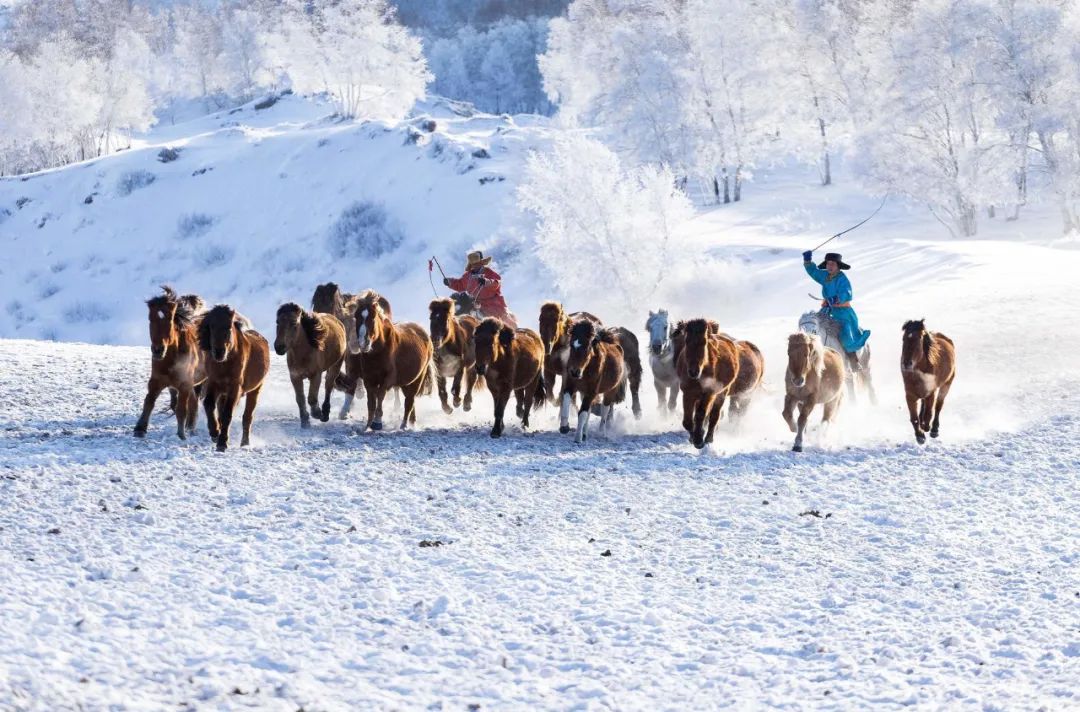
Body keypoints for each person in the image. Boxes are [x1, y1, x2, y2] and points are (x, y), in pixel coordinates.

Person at [802, 250, 870, 371]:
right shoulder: (825, 276)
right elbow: (814, 272)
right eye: (828, 264)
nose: (830, 266)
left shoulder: (842, 279)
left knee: (845, 334)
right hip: (827, 310)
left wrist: (838, 298)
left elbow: (847, 292)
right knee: (814, 326)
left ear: (838, 266)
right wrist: (808, 261)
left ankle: (853, 361)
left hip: (843, 313)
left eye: (832, 264)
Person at [444, 250, 517, 328]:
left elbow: (496, 282)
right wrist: (450, 282)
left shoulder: (488, 272)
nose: (475, 266)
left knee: (504, 319)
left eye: (477, 263)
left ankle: (516, 332)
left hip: (492, 303)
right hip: (475, 303)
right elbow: (460, 284)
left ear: (482, 262)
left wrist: (486, 281)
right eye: (473, 264)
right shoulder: (467, 275)